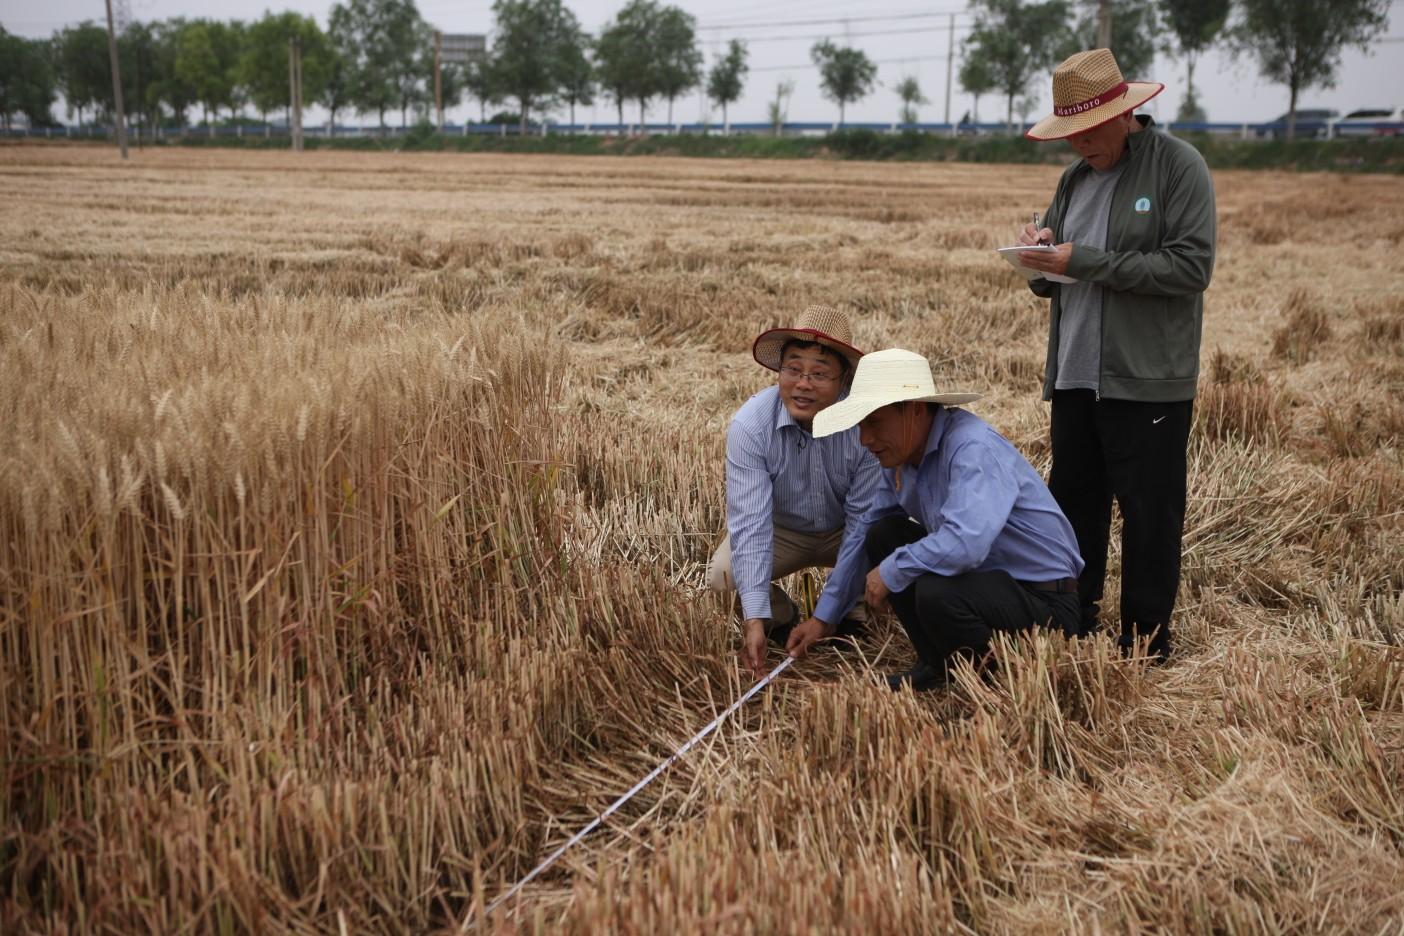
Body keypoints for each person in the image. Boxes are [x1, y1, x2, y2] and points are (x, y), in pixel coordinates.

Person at [1016, 48, 1216, 660]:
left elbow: (1191, 266)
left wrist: (1087, 261)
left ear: (1123, 113)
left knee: (1150, 513)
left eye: (1086, 130)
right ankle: (1072, 620)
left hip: (1146, 379)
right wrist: (1039, 253)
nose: (1077, 145)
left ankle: (1146, 641)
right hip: (1075, 373)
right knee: (1073, 507)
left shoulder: (1178, 167)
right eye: (1068, 134)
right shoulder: (1074, 179)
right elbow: (1050, 279)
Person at [792, 349, 1084, 691]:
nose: (864, 439)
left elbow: (966, 545)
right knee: (883, 535)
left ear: (914, 410)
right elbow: (865, 531)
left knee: (934, 590)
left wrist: (893, 570)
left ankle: (993, 684)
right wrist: (824, 617)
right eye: (860, 425)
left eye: (873, 422)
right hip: (989, 584)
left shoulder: (972, 449)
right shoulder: (901, 458)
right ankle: (937, 662)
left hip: (1044, 604)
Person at [705, 305, 883, 679]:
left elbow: (862, 525)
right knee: (723, 573)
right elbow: (750, 524)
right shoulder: (751, 426)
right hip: (782, 531)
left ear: (844, 381)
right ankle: (780, 617)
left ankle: (854, 611)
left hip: (844, 532)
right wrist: (754, 618)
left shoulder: (866, 426)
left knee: (890, 544)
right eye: (793, 369)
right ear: (779, 372)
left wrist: (827, 614)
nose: (803, 383)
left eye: (820, 373)